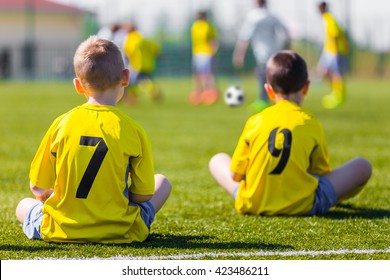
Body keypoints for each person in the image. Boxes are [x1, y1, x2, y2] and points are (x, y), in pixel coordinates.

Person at [15, 36, 172, 243]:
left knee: (23, 205)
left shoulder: (61, 124)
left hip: (62, 228)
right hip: (120, 230)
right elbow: (142, 196)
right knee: (163, 182)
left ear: (78, 85)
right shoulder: (133, 130)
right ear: (125, 77)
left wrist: (55, 195)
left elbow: (38, 188)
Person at [209, 50, 372, 216]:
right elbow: (321, 173)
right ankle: (329, 200)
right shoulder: (310, 123)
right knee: (363, 166)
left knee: (217, 160)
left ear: (268, 90)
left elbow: (235, 176)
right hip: (303, 206)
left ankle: (257, 195)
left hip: (252, 204)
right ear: (306, 87)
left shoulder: (254, 121)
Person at [233, 0, 290, 114]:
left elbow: (245, 37)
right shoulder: (272, 15)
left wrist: (239, 54)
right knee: (272, 77)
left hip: (262, 53)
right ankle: (279, 100)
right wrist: (285, 47)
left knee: (264, 77)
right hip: (274, 52)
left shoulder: (253, 16)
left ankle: (263, 101)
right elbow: (285, 31)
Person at [317, 1, 349, 109]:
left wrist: (336, 51)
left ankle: (339, 95)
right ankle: (335, 92)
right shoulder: (327, 18)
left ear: (322, 8)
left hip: (333, 51)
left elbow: (335, 34)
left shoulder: (329, 19)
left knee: (336, 74)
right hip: (328, 50)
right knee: (322, 70)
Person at [122, 23, 162, 105]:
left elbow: (129, 51)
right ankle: (133, 98)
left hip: (137, 64)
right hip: (148, 64)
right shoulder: (142, 37)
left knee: (133, 82)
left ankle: (152, 90)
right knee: (138, 81)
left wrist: (127, 58)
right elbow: (156, 48)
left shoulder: (131, 38)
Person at [189, 10, 219, 105]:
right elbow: (213, 40)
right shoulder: (208, 26)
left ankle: (201, 93)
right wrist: (214, 50)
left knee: (198, 75)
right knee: (207, 74)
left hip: (197, 53)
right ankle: (209, 93)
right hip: (206, 53)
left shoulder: (194, 26)